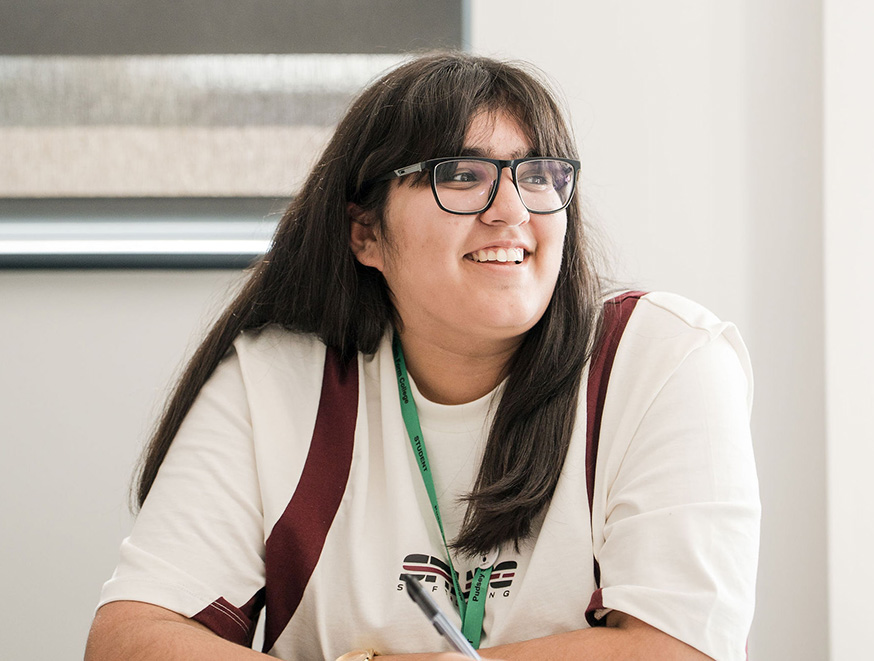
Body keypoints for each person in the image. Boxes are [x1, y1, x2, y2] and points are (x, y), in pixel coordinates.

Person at [85, 52, 760, 661]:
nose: (510, 210)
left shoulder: (665, 359)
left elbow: (677, 651)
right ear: (366, 233)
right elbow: (129, 638)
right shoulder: (278, 378)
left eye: (537, 174)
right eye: (461, 175)